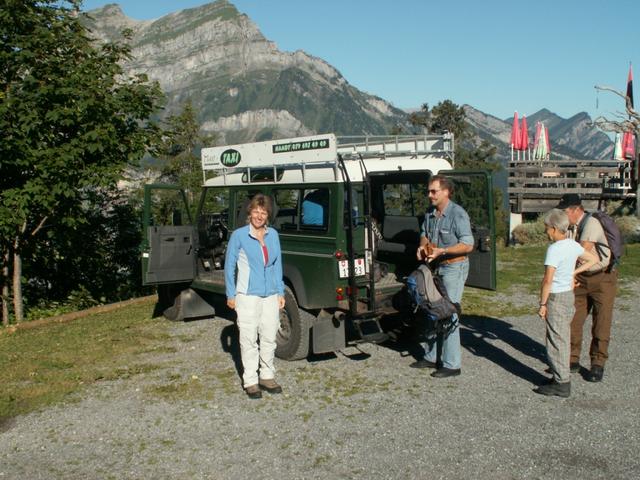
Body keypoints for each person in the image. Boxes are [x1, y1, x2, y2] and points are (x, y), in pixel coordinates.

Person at [411, 175, 474, 378]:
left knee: (448, 312)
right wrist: (422, 246)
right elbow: (424, 233)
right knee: (432, 308)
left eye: (433, 191)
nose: (429, 195)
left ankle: (451, 364)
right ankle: (432, 357)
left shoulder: (458, 214)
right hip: (436, 268)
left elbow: (468, 244)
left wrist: (443, 251)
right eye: (429, 191)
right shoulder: (430, 213)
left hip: (454, 268)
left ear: (446, 192)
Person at [224, 194, 286, 399]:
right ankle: (250, 380)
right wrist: (230, 293)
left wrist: (280, 291)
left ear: (268, 215)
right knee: (248, 338)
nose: (259, 215)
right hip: (247, 295)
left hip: (270, 295)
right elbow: (229, 266)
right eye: (256, 211)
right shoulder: (239, 235)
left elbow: (277, 265)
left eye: (264, 212)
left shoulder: (273, 235)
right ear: (249, 212)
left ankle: (267, 376)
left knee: (269, 336)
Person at [535, 209, 598, 397]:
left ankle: (562, 382)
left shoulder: (554, 249)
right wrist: (574, 273)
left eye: (547, 228)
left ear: (554, 228)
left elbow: (548, 280)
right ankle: (558, 375)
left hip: (556, 296)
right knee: (561, 336)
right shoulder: (572, 244)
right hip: (568, 295)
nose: (546, 231)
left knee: (557, 340)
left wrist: (543, 304)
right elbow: (593, 259)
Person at [557, 193, 618, 383]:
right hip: (581, 277)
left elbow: (580, 252)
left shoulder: (591, 224)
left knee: (602, 320)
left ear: (576, 209)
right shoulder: (570, 226)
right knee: (574, 319)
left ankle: (598, 363)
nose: (563, 215)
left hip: (602, 277)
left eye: (565, 211)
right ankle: (572, 359)